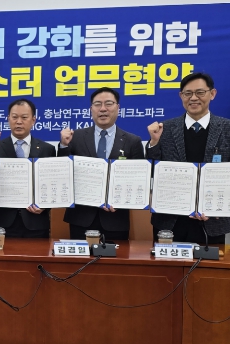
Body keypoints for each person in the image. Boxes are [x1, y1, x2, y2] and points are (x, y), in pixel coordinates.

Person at [147, 72, 230, 244]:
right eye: (188, 93)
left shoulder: (227, 128)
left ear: (212, 94)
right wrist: (154, 143)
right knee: (165, 263)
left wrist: (217, 206)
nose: (193, 98)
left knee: (209, 263)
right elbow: (152, 169)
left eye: (200, 92)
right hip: (170, 221)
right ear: (181, 96)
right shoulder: (164, 128)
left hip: (211, 220)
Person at [57, 87, 144, 240]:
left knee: (116, 256)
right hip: (81, 218)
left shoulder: (132, 141)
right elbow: (62, 172)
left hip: (115, 219)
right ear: (91, 109)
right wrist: (64, 145)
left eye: (108, 104)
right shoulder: (74, 137)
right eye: (97, 104)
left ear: (118, 108)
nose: (103, 109)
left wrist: (121, 201)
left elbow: (138, 180)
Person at [0, 99, 56, 238]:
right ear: (8, 119)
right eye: (14, 117)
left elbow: (53, 183)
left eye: (24, 117)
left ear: (33, 120)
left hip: (35, 221)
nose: (18, 122)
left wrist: (45, 205)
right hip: (3, 222)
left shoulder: (47, 149)